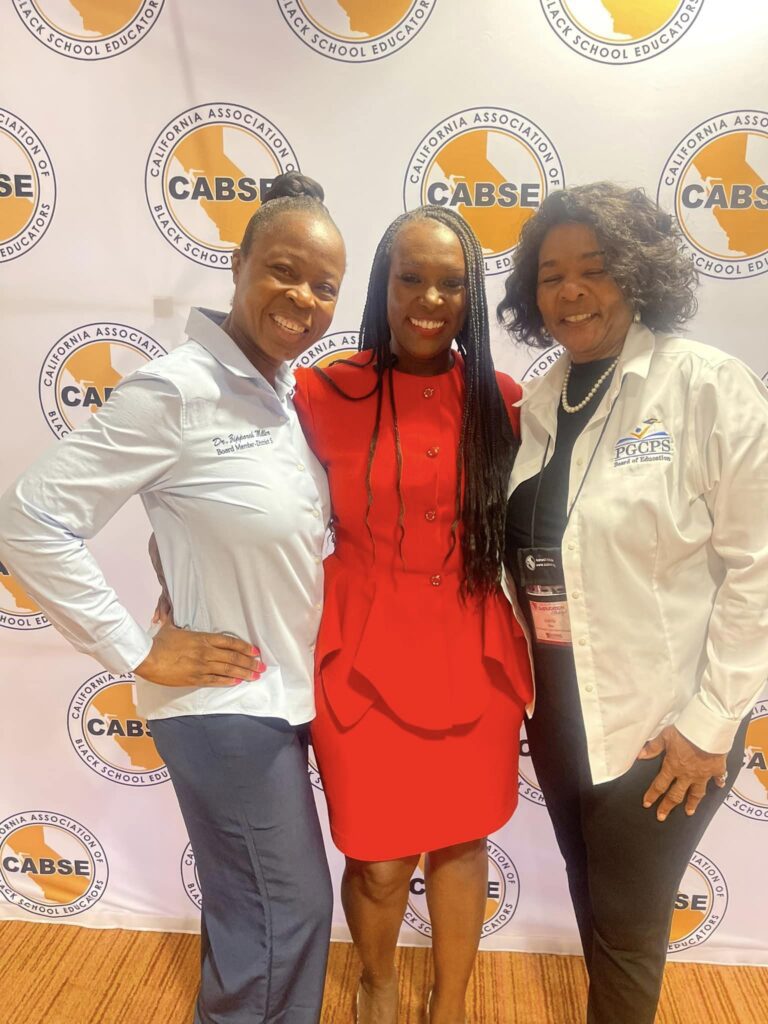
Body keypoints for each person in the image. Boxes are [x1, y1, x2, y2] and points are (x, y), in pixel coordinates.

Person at [0, 173, 347, 1024]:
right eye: (283, 269)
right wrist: (135, 647)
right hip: (224, 702)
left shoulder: (286, 395)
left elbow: (241, 526)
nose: (303, 296)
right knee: (283, 913)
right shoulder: (178, 390)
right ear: (238, 265)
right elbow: (28, 517)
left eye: (325, 285)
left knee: (256, 917)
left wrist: (176, 557)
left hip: (286, 692)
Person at [497, 181, 768, 1024]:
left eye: (595, 269)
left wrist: (710, 725)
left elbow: (759, 565)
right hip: (560, 719)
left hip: (662, 730)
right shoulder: (542, 403)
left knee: (625, 942)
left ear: (639, 274)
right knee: (597, 908)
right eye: (551, 275)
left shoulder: (704, 386)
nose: (570, 291)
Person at [293, 206, 533, 1024]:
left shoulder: (501, 399)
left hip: (474, 656)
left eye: (451, 282)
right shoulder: (322, 392)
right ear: (381, 285)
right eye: (411, 278)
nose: (430, 298)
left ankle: (453, 1002)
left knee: (463, 846)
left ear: (472, 295)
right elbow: (248, 502)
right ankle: (379, 982)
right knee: (380, 860)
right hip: (358, 661)